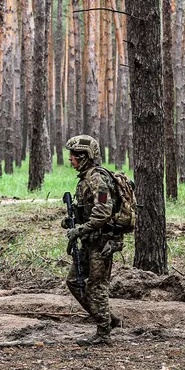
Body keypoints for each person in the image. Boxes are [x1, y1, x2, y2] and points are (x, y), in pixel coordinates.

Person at [62, 134, 125, 346]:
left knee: (96, 286)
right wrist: (72, 221)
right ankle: (108, 318)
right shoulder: (86, 178)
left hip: (102, 241)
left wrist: (81, 229)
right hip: (90, 240)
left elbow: (103, 210)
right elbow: (90, 209)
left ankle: (103, 333)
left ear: (84, 156)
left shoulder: (97, 178)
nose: (70, 159)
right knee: (73, 281)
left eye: (73, 156)